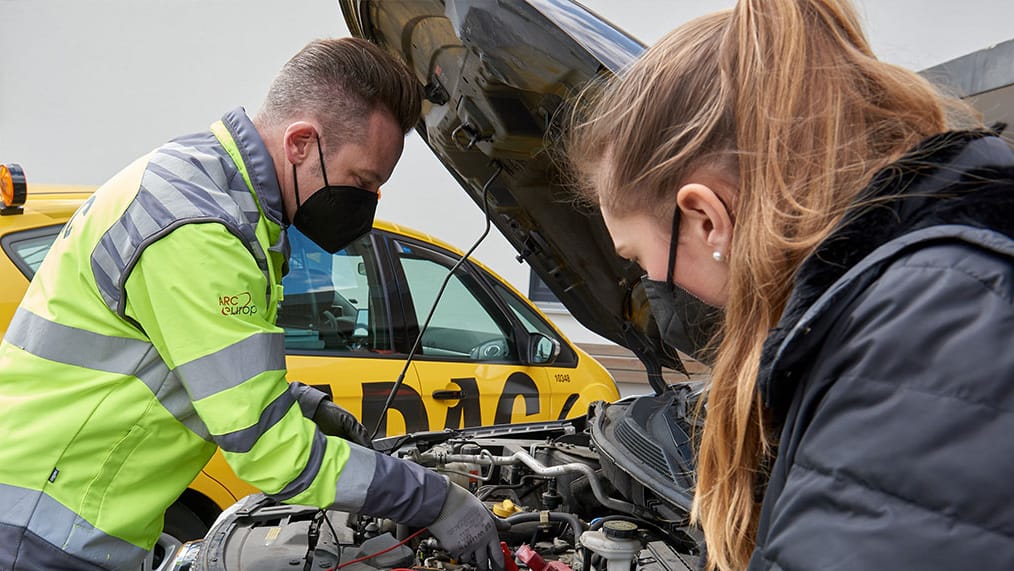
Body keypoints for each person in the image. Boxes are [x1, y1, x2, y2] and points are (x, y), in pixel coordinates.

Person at [0, 38, 503, 571]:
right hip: (35, 532)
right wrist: (435, 499)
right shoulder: (198, 227)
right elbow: (268, 450)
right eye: (362, 181)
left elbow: (190, 360)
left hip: (71, 520)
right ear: (301, 143)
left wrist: (305, 405)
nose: (367, 204)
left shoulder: (217, 196)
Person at [567, 1, 1014, 569]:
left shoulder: (927, 334)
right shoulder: (918, 299)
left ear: (706, 219)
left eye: (637, 258)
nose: (647, 283)